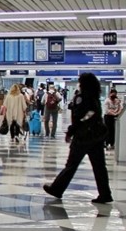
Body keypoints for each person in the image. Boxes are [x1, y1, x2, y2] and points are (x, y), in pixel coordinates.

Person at [43, 72, 112, 204]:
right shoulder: (95, 97)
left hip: (83, 137)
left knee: (71, 165)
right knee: (99, 167)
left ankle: (57, 189)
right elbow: (94, 113)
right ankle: (105, 193)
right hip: (96, 136)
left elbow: (80, 117)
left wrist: (72, 131)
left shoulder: (81, 97)